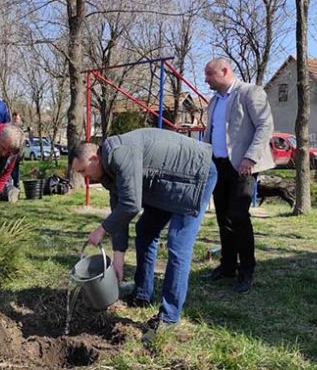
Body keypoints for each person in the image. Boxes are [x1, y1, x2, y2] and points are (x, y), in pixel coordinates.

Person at [72, 128, 217, 339]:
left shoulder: (119, 154)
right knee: (145, 230)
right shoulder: (108, 172)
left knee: (178, 244)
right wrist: (118, 261)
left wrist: (101, 230)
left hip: (195, 175)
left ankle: (169, 317)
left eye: (83, 171)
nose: (84, 177)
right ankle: (142, 294)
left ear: (94, 158)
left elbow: (131, 204)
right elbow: (120, 211)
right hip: (167, 182)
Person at [201, 58, 275, 294]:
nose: (206, 79)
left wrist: (250, 158)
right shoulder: (214, 101)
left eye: (209, 74)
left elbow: (265, 126)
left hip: (243, 167)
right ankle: (228, 266)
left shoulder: (250, 93)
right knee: (223, 217)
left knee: (238, 216)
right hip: (219, 166)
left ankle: (247, 270)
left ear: (224, 71)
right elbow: (210, 133)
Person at [10, 112, 22, 190]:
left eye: (17, 119)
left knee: (16, 171)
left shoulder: (20, 129)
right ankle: (9, 187)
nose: (15, 120)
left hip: (17, 153)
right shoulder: (9, 128)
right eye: (14, 118)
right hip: (9, 153)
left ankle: (16, 186)